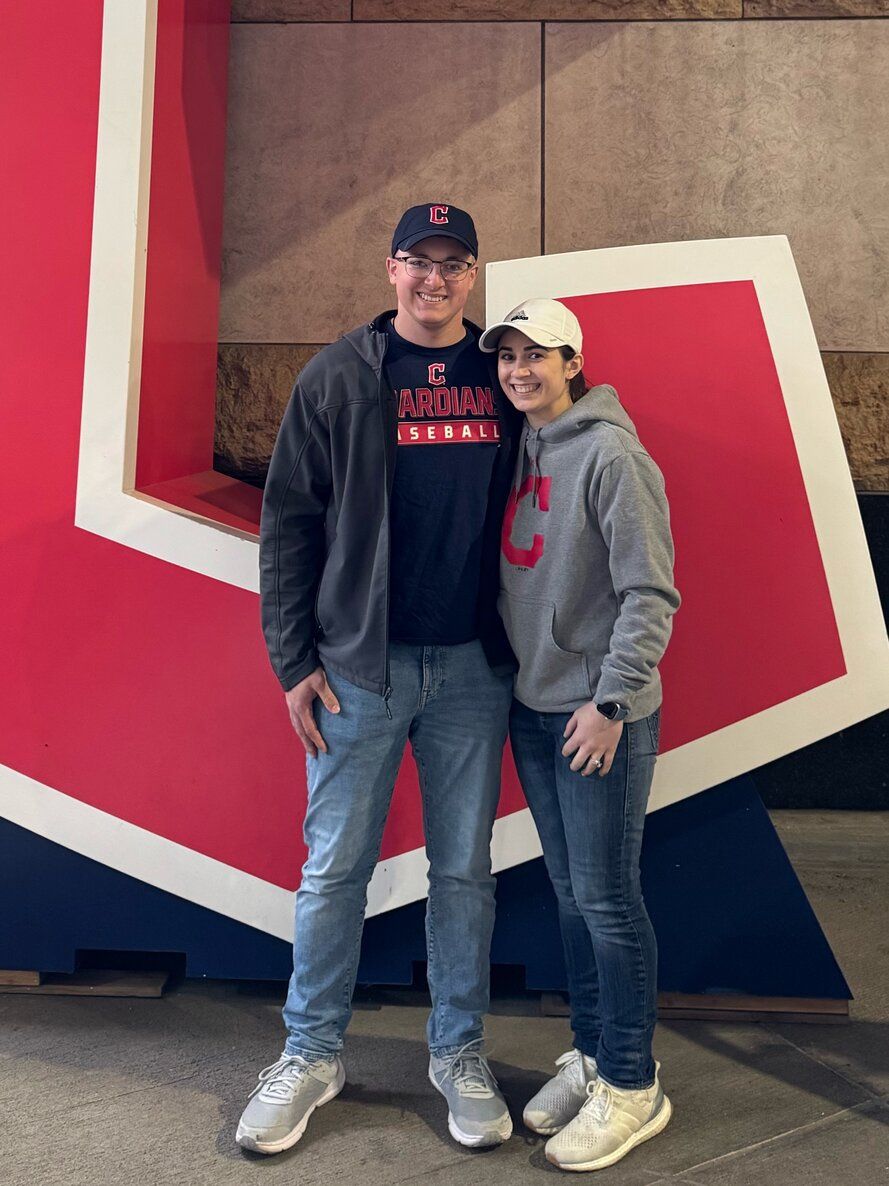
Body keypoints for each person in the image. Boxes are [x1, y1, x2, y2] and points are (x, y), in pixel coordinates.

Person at [236, 204, 522, 1155]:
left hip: (475, 671)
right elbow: (288, 527)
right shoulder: (339, 377)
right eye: (418, 261)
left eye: (453, 264)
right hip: (359, 670)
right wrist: (293, 662)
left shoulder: (503, 371)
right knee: (332, 874)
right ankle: (310, 1053)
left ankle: (459, 1053)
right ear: (390, 269)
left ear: (472, 275)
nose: (433, 279)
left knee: (464, 876)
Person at [479, 298, 680, 1173]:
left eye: (538, 355)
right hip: (534, 704)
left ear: (574, 362)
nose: (520, 369)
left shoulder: (611, 455)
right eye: (509, 356)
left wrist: (610, 702)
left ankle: (634, 1085)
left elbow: (650, 594)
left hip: (595, 713)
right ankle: (594, 1054)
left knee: (605, 897)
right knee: (569, 893)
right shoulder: (524, 441)